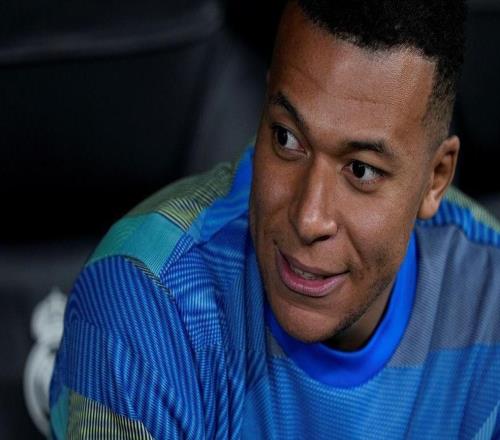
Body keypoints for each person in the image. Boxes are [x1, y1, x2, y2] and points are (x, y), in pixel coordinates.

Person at [50, 0, 500, 438]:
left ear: (436, 178)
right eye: (286, 138)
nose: (308, 218)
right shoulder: (146, 298)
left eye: (361, 170)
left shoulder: (490, 298)